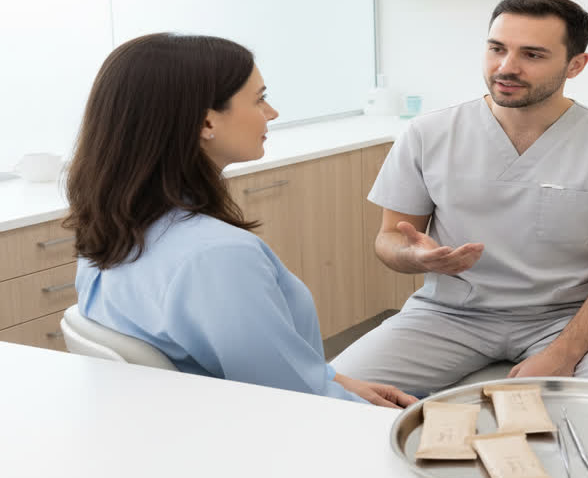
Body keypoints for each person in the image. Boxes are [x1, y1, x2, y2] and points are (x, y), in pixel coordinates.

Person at [331, 0, 588, 396]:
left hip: (568, 318)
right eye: (497, 49)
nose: (506, 68)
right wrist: (414, 257)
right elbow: (389, 238)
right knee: (330, 395)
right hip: (448, 315)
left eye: (532, 55)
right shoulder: (428, 134)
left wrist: (565, 352)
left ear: (575, 65)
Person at [65, 33, 416, 408]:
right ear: (205, 122)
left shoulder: (112, 229)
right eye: (259, 98)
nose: (272, 113)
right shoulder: (218, 257)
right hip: (270, 437)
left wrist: (338, 380)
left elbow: (257, 369)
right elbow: (293, 403)